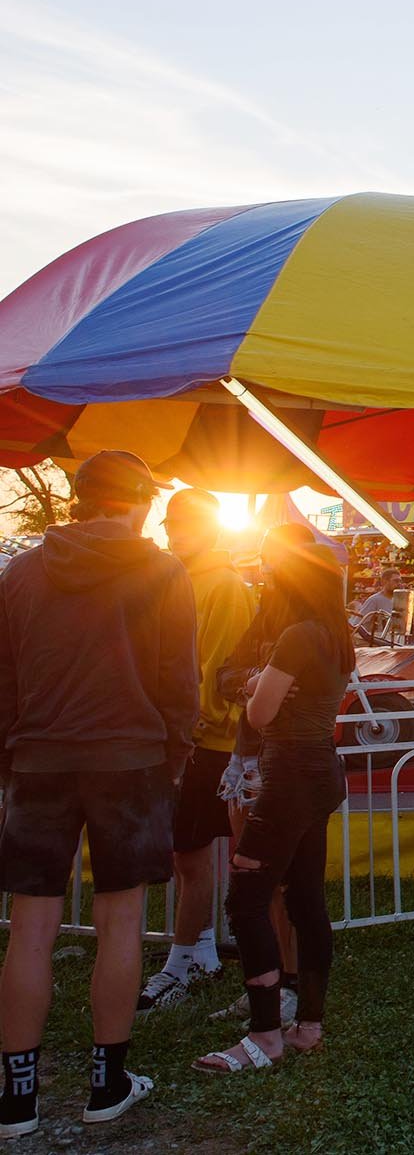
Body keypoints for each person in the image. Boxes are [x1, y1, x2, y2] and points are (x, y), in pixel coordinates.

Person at [0, 450, 196, 1133]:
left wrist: (13, 760)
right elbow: (180, 683)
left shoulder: (20, 573)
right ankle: (105, 1084)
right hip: (131, 760)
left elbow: (4, 683)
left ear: (78, 501)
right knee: (120, 922)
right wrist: (171, 757)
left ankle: (16, 1098)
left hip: (38, 762)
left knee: (29, 930)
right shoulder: (165, 570)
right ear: (140, 500)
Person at [193, 526, 353, 1074]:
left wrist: (259, 681)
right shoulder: (336, 634)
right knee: (307, 901)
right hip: (321, 772)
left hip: (288, 775)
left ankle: (263, 1035)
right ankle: (308, 1026)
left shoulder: (296, 636)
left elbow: (259, 715)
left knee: (246, 900)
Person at [139, 489, 256, 1013]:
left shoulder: (223, 584)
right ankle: (199, 951)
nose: (172, 531)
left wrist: (191, 723)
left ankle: (185, 960)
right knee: (189, 853)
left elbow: (218, 665)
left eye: (183, 522)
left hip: (204, 741)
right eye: (170, 521)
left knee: (192, 852)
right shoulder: (173, 578)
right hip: (179, 735)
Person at [350, 568, 402, 636]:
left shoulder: (400, 600)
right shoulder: (374, 600)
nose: (399, 584)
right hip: (378, 642)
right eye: (396, 581)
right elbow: (358, 624)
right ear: (384, 581)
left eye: (400, 581)